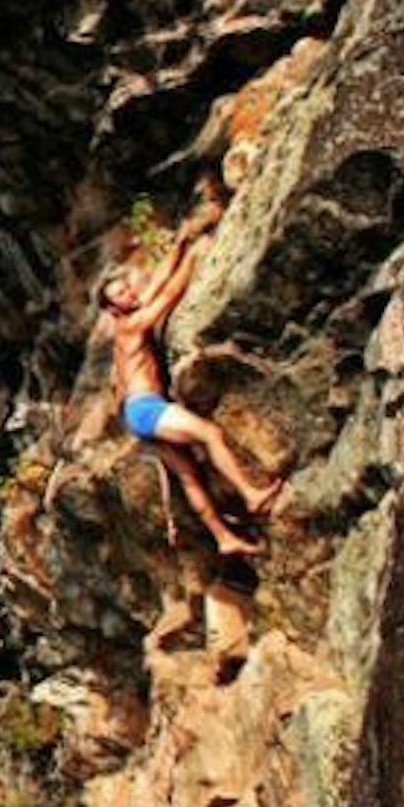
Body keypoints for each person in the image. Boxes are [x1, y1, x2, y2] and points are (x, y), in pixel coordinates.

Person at [99, 185, 283, 556]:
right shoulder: (130, 326)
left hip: (136, 413)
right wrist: (196, 259)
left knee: (188, 474)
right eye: (120, 294)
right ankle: (250, 494)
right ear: (112, 308)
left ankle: (224, 538)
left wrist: (182, 243)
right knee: (210, 434)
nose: (130, 293)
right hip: (146, 408)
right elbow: (167, 296)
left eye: (126, 287)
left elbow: (154, 287)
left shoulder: (127, 321)